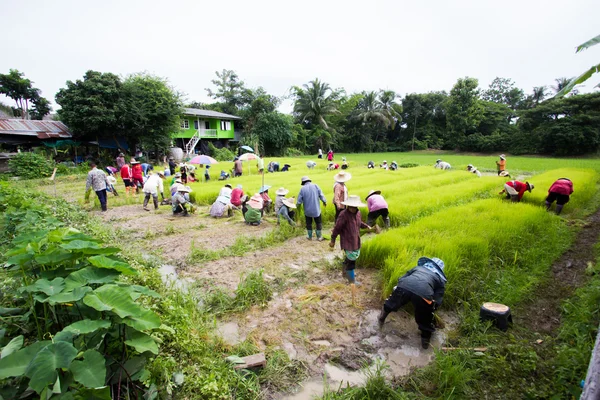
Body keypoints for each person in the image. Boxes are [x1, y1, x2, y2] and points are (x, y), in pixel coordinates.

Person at [377, 256, 447, 349]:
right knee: (425, 320)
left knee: (391, 303)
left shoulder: (418, 268)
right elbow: (438, 299)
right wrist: (432, 308)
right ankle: (425, 345)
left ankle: (381, 318)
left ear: (428, 264)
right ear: (439, 270)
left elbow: (401, 278)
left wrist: (399, 288)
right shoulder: (439, 280)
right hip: (424, 294)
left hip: (404, 286)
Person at [330, 195, 372, 284]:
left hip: (356, 240)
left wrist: (366, 226)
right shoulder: (343, 215)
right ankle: (352, 281)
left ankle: (346, 272)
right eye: (351, 206)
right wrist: (333, 239)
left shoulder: (358, 213)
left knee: (351, 258)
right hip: (347, 241)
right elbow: (337, 228)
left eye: (355, 206)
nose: (353, 208)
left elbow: (359, 223)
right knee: (351, 261)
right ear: (348, 205)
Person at [297, 176, 327, 241]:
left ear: (303, 182)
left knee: (308, 223)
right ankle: (319, 236)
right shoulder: (316, 186)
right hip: (316, 210)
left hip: (307, 211)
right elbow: (321, 195)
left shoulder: (302, 189)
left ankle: (310, 236)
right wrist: (324, 201)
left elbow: (299, 201)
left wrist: (298, 208)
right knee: (318, 222)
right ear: (309, 181)